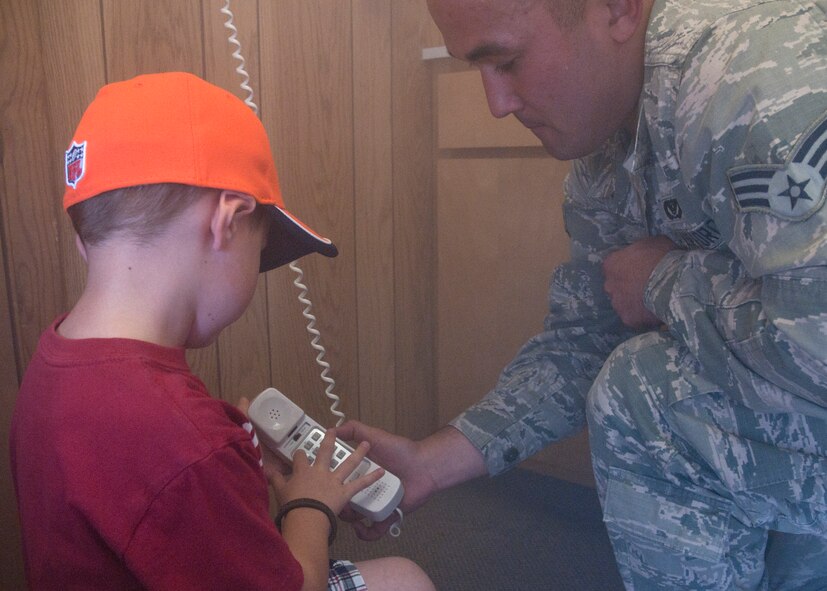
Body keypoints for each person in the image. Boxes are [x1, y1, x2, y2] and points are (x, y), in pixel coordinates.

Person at [338, 0, 827, 588]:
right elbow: (587, 337)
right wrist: (431, 462)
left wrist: (664, 281)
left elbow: (815, 339)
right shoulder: (606, 145)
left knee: (644, 393)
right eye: (478, 69)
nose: (496, 105)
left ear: (618, 10)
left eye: (510, 62)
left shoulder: (759, 81)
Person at [9, 72, 435, 591]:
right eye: (260, 253)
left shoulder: (54, 361)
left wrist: (232, 481)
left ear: (85, 241)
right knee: (407, 580)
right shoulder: (185, 443)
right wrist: (311, 506)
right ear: (226, 222)